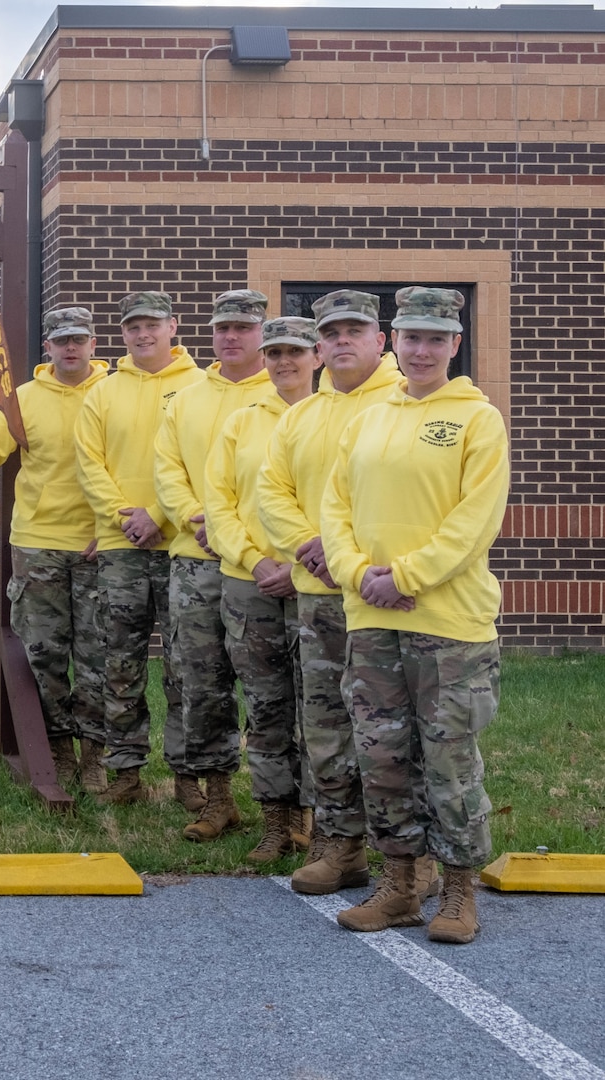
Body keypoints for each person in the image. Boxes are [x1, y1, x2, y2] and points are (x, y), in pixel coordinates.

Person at [322, 288, 508, 943]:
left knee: (449, 761)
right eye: (411, 336)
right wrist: (357, 574)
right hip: (372, 618)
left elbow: (473, 522)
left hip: (450, 624)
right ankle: (401, 885)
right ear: (394, 341)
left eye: (436, 338)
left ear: (455, 344)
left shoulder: (477, 420)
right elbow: (334, 508)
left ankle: (459, 892)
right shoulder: (368, 419)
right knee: (384, 760)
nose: (422, 349)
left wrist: (404, 577)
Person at [256, 290, 438, 899]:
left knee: (395, 734)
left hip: (385, 597)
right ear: (318, 346)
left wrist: (356, 563)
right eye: (330, 333)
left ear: (380, 339)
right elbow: (272, 492)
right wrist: (310, 544)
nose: (341, 342)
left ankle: (416, 857)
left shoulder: (404, 403)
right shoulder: (302, 415)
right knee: (327, 726)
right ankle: (340, 847)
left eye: (354, 330)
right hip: (317, 595)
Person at [153, 290, 275, 840]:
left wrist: (242, 534)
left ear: (263, 333)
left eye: (244, 329)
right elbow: (167, 467)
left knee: (273, 687)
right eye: (223, 327)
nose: (232, 337)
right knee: (201, 679)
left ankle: (287, 808)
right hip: (195, 556)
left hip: (261, 564)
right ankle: (217, 797)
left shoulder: (288, 392)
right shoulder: (185, 397)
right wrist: (192, 515)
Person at [74, 290, 204, 804]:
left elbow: (207, 465)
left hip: (182, 545)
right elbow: (90, 463)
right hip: (120, 544)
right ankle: (124, 773)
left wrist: (162, 515)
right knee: (119, 663)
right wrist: (123, 517)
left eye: (152, 324)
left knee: (186, 665)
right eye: (133, 326)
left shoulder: (199, 386)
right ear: (122, 334)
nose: (143, 333)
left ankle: (188, 779)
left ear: (173, 326)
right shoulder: (103, 392)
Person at [0, 306, 109, 790]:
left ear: (94, 344)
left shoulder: (113, 395)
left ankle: (97, 754)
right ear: (46, 347)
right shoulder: (22, 400)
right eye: (61, 340)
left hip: (102, 544)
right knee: (44, 656)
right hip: (39, 543)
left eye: (79, 339)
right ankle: (55, 749)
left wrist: (114, 526)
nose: (70, 347)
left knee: (100, 656)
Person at [204, 316, 320, 863]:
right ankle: (277, 823)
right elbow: (219, 506)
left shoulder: (338, 419)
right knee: (268, 709)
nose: (283, 363)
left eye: (294, 352)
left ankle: (323, 825)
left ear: (316, 356)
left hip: (320, 584)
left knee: (323, 711)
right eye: (273, 353)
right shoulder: (241, 423)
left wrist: (299, 566)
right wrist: (252, 560)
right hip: (250, 584)